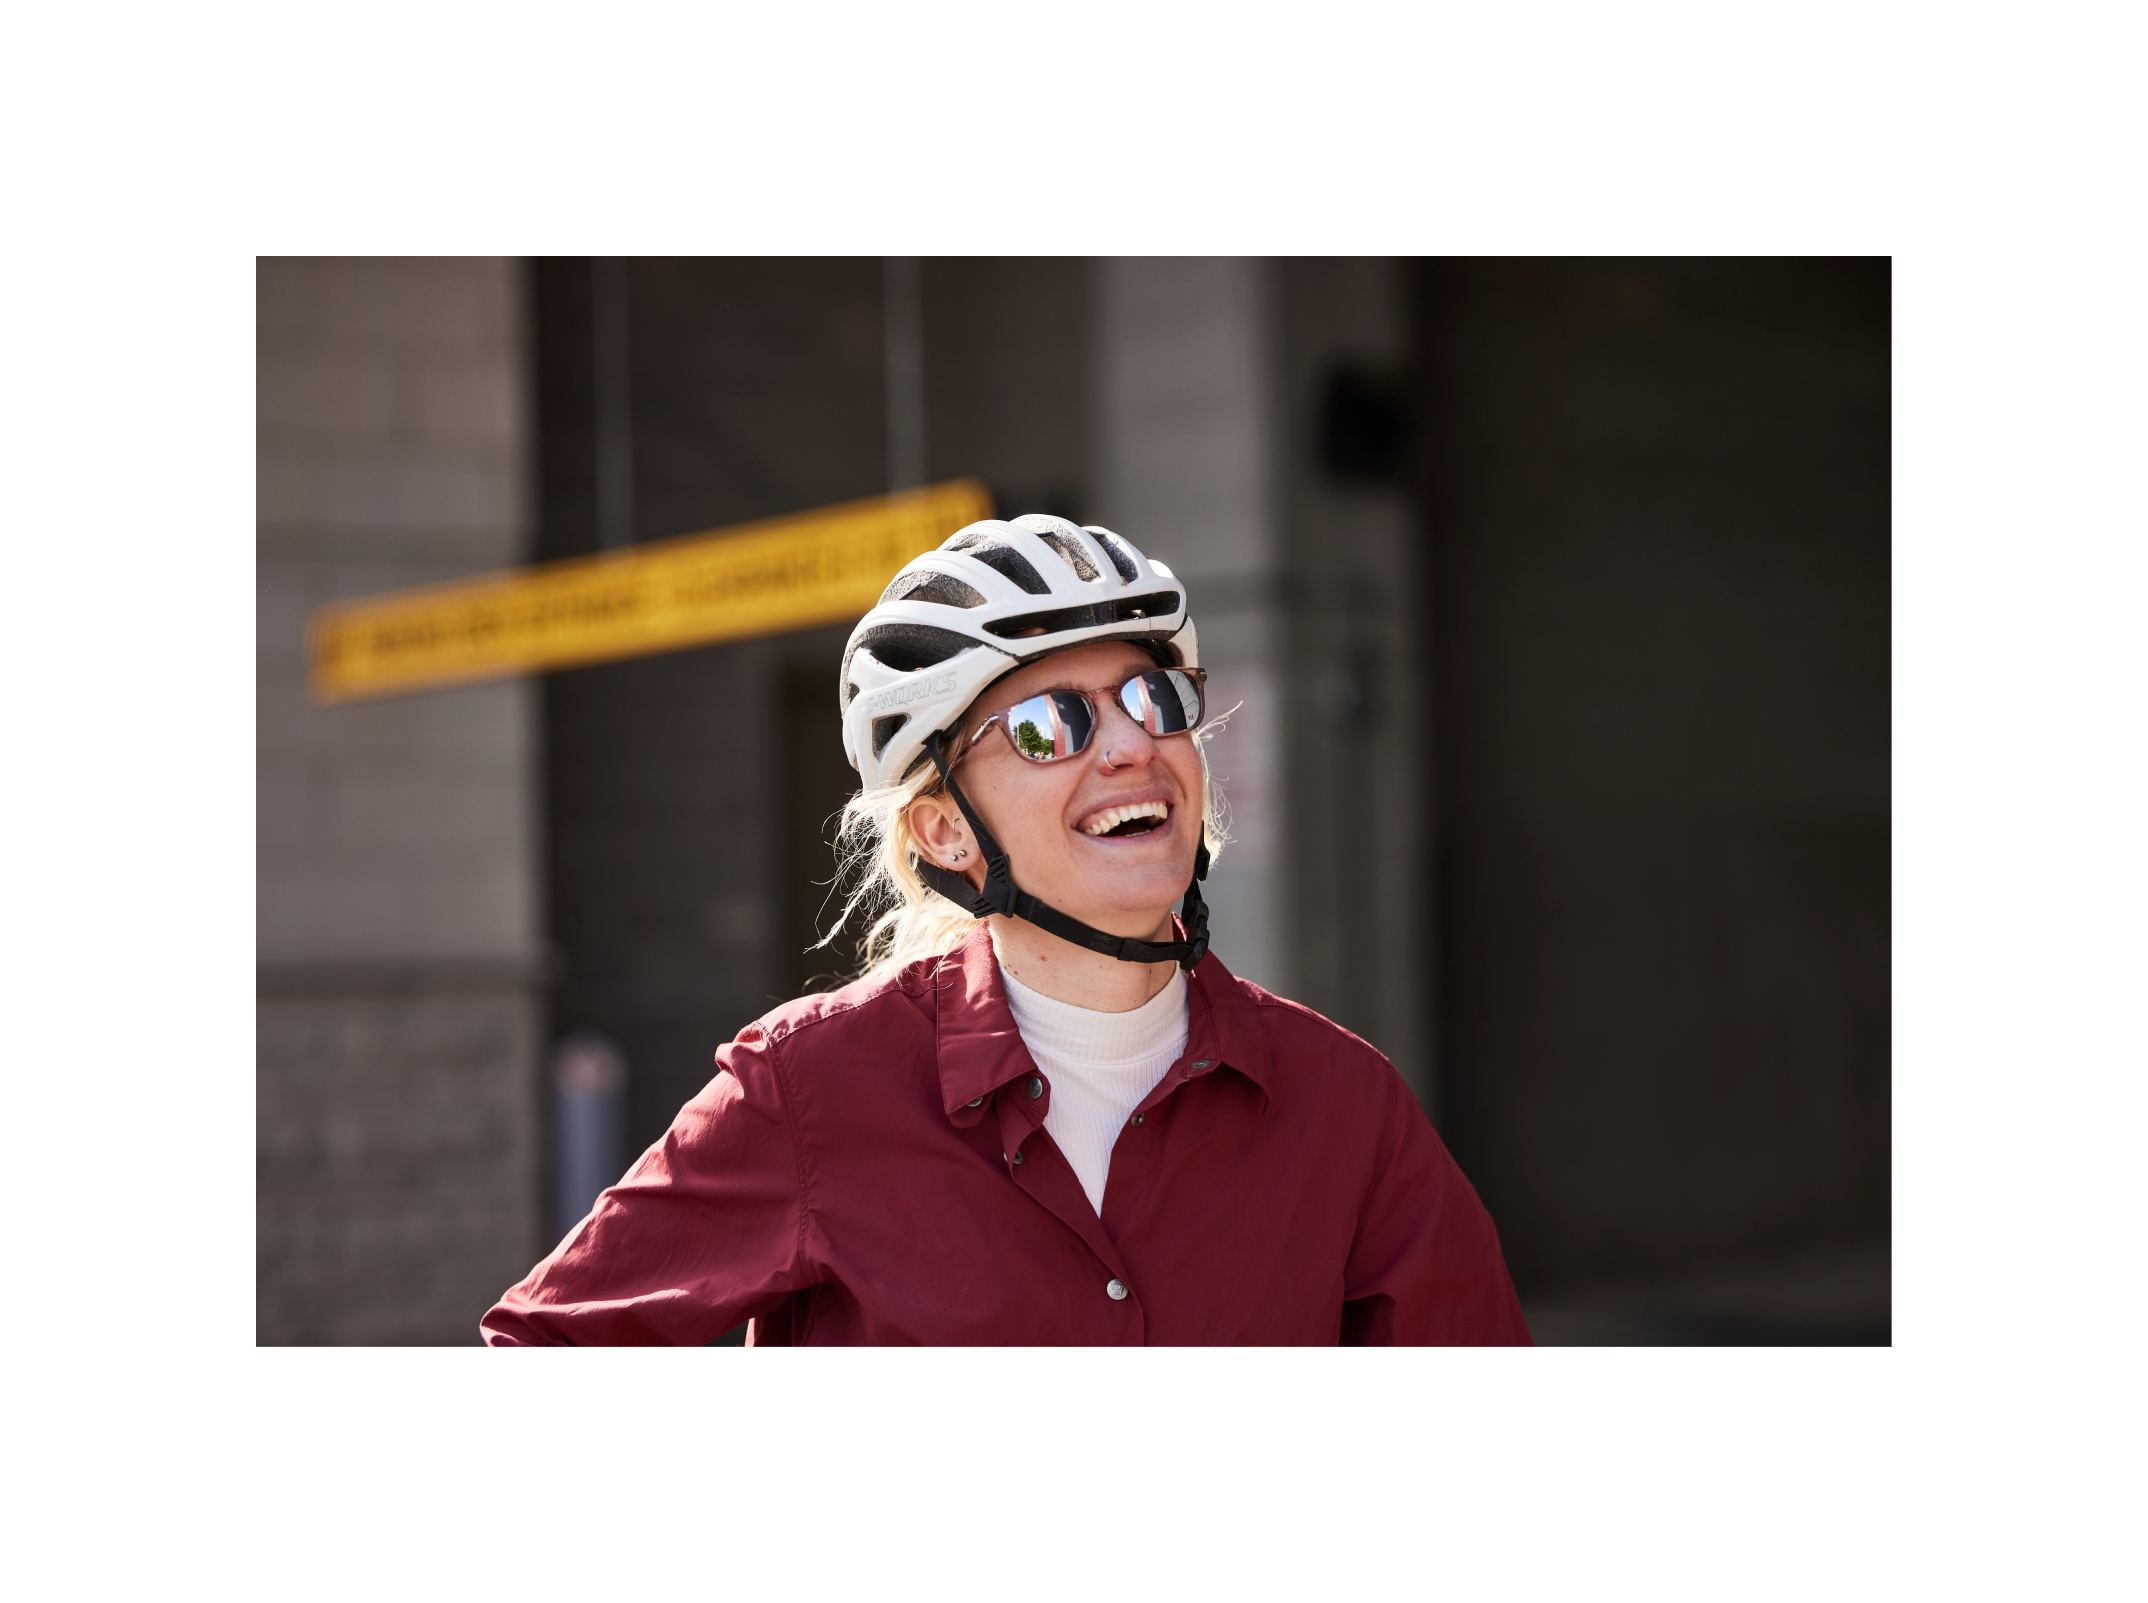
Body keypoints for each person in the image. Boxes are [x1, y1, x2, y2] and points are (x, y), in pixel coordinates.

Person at [482, 515, 1530, 1345]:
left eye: (1152, 697)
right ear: (945, 831)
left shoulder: (1344, 1108)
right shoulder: (809, 1090)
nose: (1128, 743)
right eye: (1049, 724)